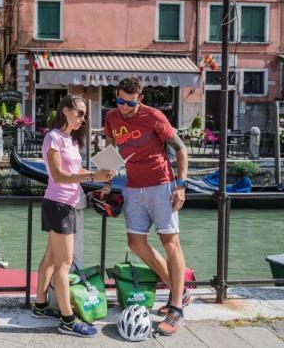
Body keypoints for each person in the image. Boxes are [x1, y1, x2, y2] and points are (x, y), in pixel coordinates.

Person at [101, 77, 190, 336]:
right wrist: (107, 184)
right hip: (132, 187)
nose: (123, 107)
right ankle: (179, 290)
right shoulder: (112, 118)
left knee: (170, 242)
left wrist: (181, 186)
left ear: (139, 99)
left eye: (129, 103)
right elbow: (110, 152)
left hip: (162, 185)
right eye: (119, 101)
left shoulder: (154, 117)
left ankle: (176, 308)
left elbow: (181, 148)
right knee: (135, 243)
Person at [32, 94, 115, 338]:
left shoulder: (71, 140)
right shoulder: (53, 138)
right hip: (58, 203)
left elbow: (75, 170)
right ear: (65, 110)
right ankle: (67, 320)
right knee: (64, 264)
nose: (83, 118)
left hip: (66, 203)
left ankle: (39, 305)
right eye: (79, 113)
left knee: (50, 257)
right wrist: (92, 178)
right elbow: (58, 176)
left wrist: (99, 174)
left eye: (84, 115)